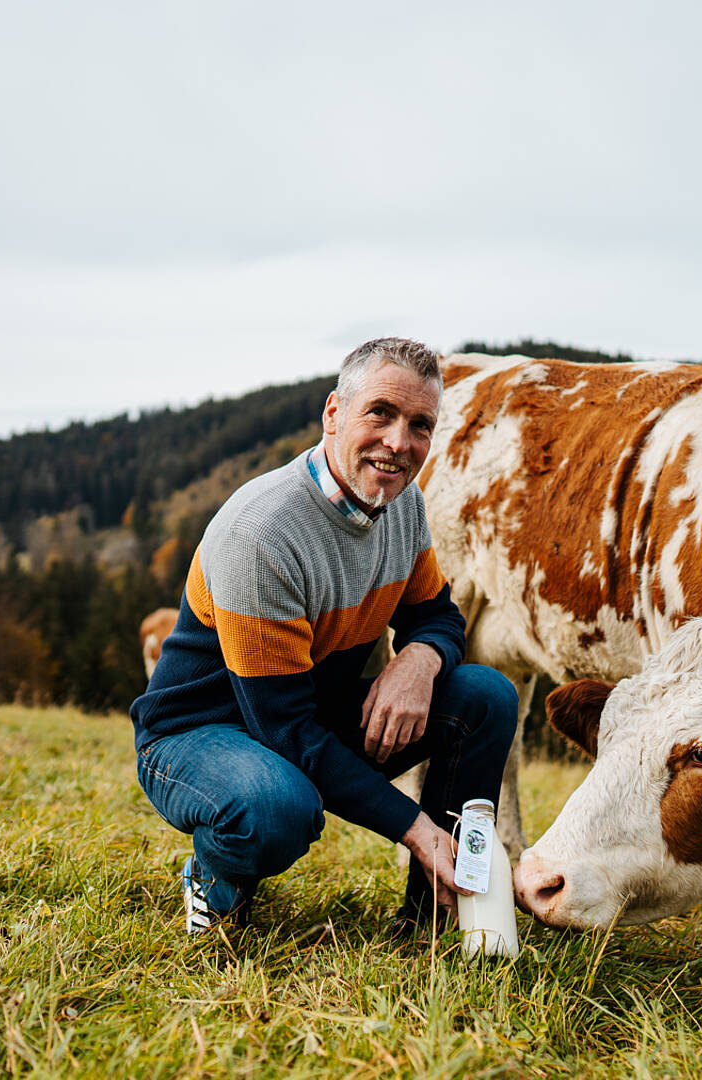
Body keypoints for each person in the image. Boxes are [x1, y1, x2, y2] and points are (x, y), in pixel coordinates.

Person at [130, 337, 518, 936]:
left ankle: (432, 920)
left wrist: (418, 658)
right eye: (380, 413)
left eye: (420, 424)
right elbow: (285, 730)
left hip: (302, 712)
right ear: (333, 413)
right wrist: (416, 830)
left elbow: (437, 616)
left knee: (485, 697)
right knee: (277, 807)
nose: (399, 443)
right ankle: (216, 875)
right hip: (199, 735)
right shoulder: (261, 534)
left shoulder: (401, 504)